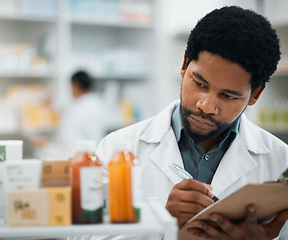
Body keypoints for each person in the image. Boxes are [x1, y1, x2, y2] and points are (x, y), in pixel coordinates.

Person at [96, 6, 288, 240]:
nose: (206, 106)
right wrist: (163, 225)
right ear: (185, 65)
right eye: (200, 84)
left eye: (228, 96)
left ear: (255, 94)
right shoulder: (118, 148)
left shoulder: (280, 159)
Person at [32, 70, 107, 159]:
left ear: (74, 85)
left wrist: (45, 147)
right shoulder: (98, 107)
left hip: (77, 162)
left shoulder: (74, 113)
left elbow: (69, 152)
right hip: (95, 160)